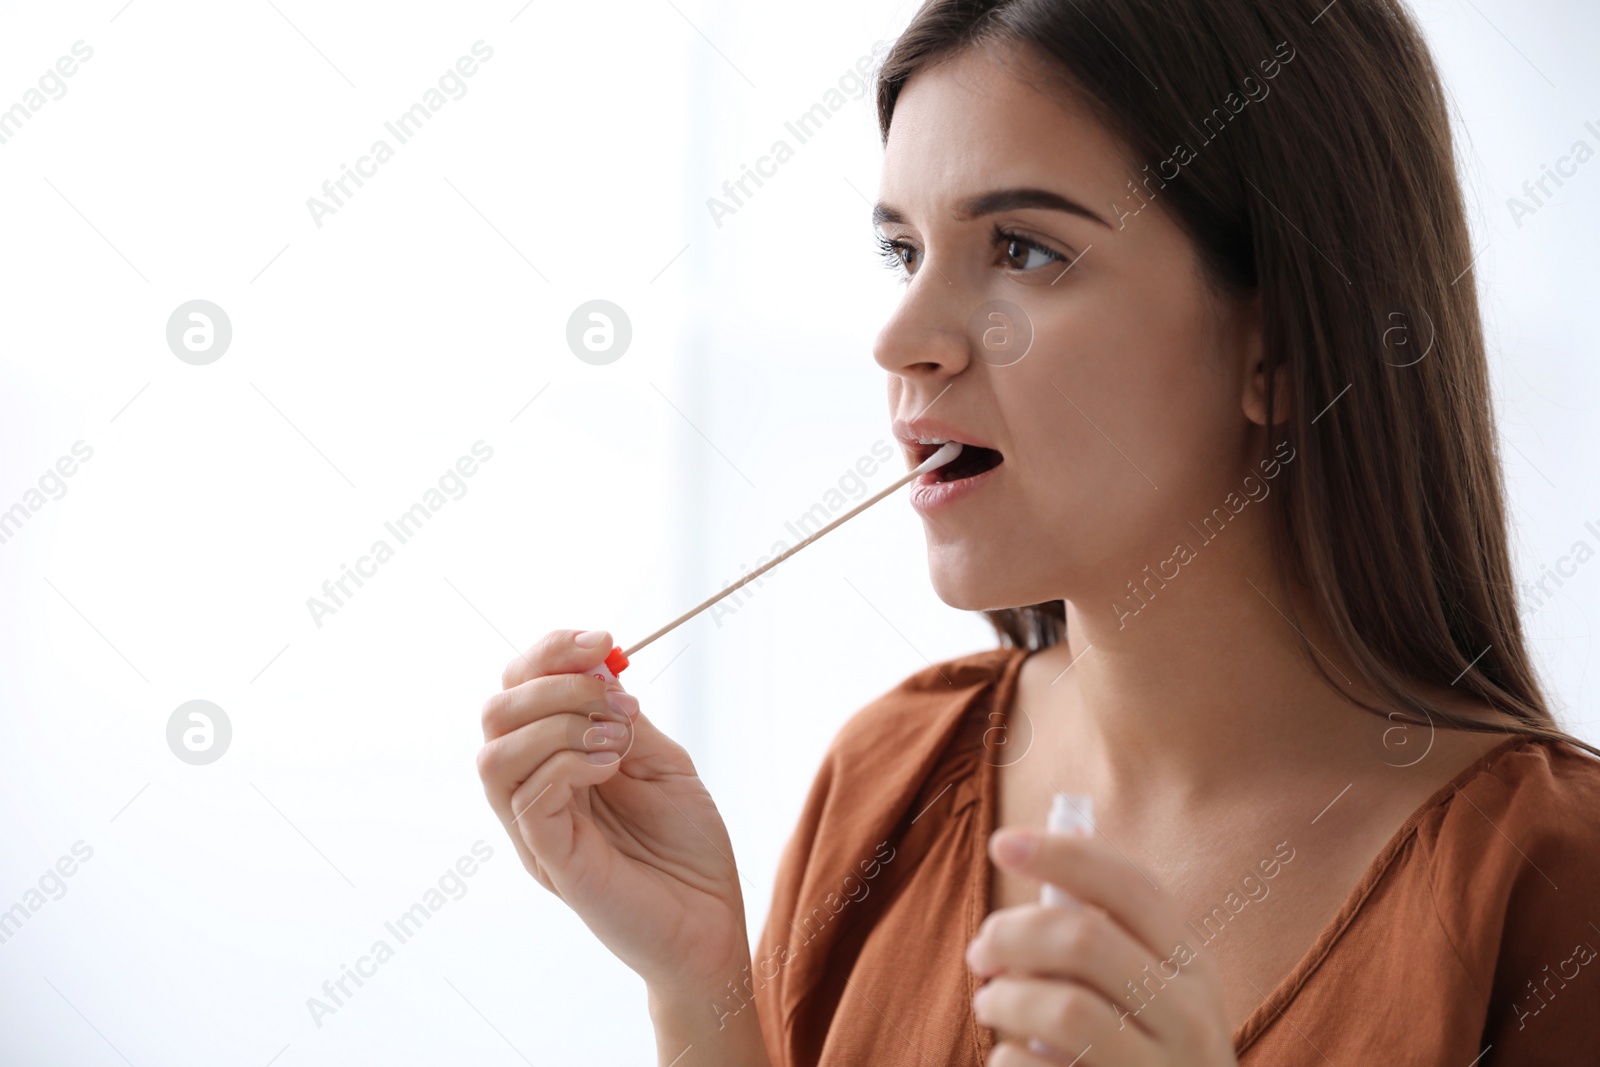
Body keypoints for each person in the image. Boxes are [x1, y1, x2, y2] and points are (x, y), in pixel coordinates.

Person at [475, 0, 1600, 1063]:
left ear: (1279, 346)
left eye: (1020, 250)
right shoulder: (888, 780)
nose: (902, 338)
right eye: (902, 252)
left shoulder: (1551, 884)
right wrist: (703, 985)